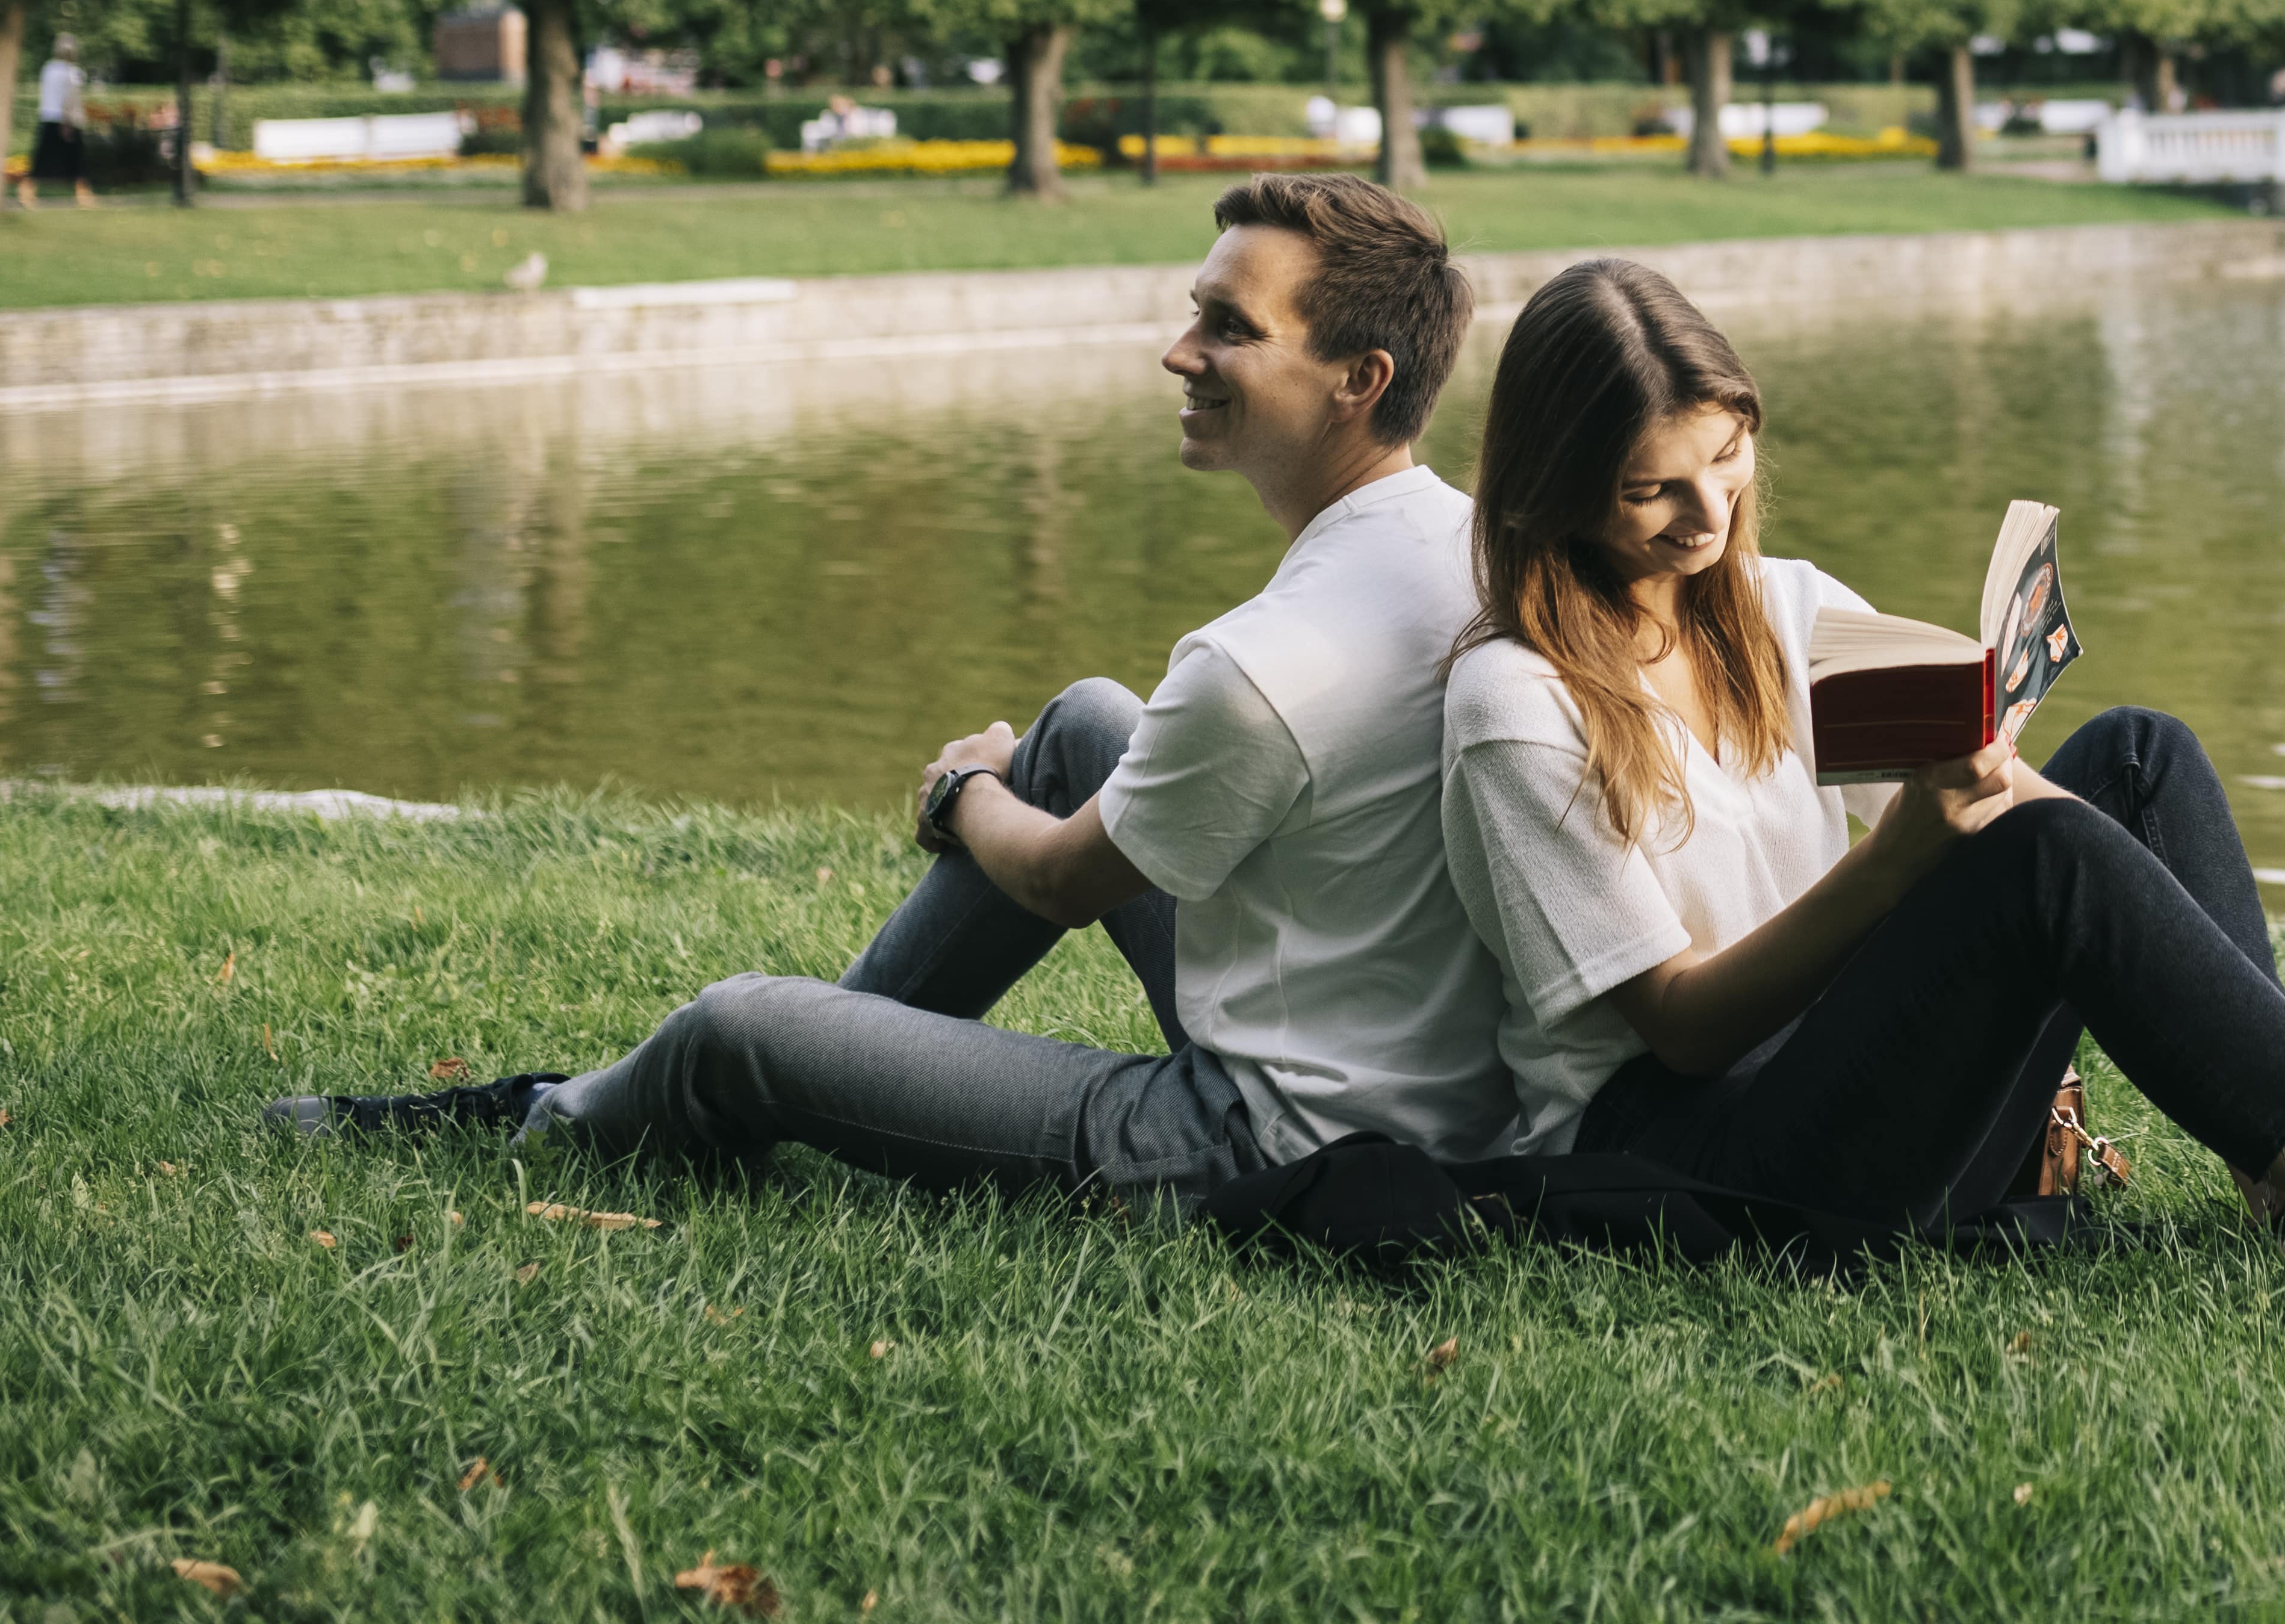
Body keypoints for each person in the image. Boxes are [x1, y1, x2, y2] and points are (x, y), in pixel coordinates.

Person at [1436, 257, 2285, 1310]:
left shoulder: (1783, 606)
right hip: (1700, 1158)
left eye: (1728, 455)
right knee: (2044, 855)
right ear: (1556, 485)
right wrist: (1898, 861)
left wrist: (1995, 770)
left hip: (1860, 1075)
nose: (1707, 512)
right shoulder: (1517, 705)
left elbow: (2038, 824)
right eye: (1652, 486)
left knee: (2134, 757)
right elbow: (1680, 1024)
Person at [271, 173, 1516, 1212]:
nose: (1176, 349)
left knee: (737, 1023)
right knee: (1086, 719)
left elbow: (1056, 878)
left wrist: (964, 786)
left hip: (1260, 1138)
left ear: (1360, 376)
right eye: (1195, 312)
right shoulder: (1467, 548)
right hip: (1409, 1076)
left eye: (1228, 327)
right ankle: (816, 1068)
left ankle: (568, 1115)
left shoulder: (1260, 658)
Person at [32, 41, 93, 207]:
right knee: (78, 160)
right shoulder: (74, 72)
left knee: (42, 159)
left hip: (47, 117)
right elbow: (71, 98)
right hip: (68, 120)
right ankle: (83, 195)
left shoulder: (48, 69)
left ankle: (28, 192)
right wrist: (68, 123)